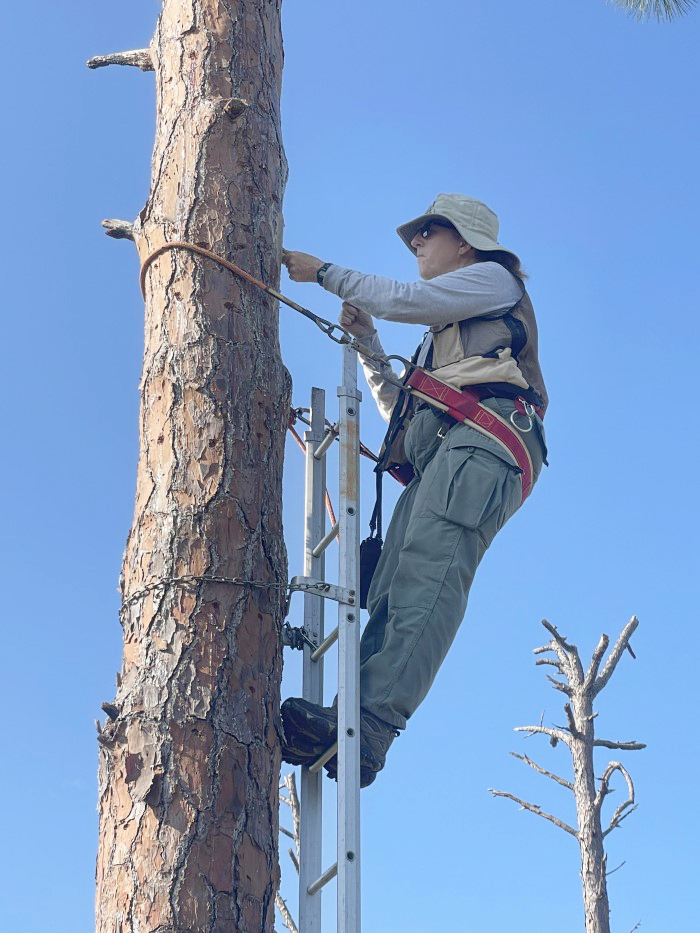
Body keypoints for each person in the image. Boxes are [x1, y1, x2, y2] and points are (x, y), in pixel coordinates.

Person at [280, 194, 548, 786]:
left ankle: (371, 722)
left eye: (429, 231)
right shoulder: (441, 334)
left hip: (480, 448)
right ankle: (351, 716)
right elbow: (399, 410)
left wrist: (322, 272)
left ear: (467, 242)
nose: (417, 242)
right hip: (445, 457)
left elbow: (409, 300)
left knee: (427, 575)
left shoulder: (493, 281)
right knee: (394, 583)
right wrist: (371, 346)